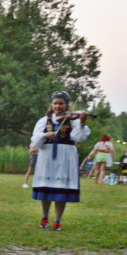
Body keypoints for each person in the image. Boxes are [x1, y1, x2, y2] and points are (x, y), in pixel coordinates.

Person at [30, 91, 90, 230]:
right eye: (55, 103)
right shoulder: (44, 120)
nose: (58, 106)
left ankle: (57, 220)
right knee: (46, 186)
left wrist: (81, 122)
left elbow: (78, 138)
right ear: (52, 104)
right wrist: (45, 134)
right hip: (47, 155)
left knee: (60, 189)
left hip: (65, 156)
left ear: (66, 104)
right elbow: (35, 140)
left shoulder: (73, 119)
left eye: (61, 103)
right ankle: (44, 217)